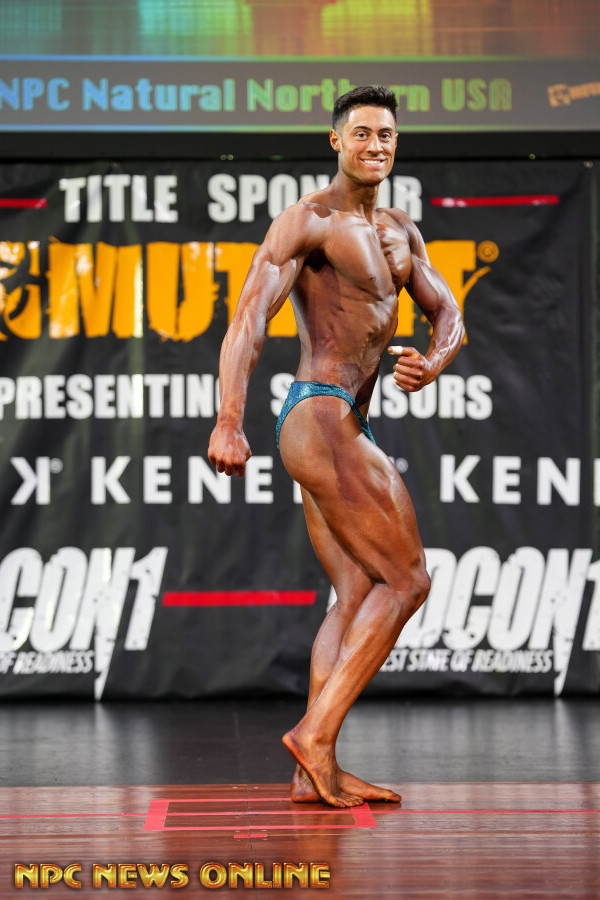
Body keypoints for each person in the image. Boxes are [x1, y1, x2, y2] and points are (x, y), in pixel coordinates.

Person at [208, 85, 465, 808]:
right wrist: (229, 419)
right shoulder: (309, 220)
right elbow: (249, 318)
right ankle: (315, 736)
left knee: (356, 594)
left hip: (347, 417)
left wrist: (433, 360)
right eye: (362, 134)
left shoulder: (401, 231)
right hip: (319, 413)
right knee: (408, 580)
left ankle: (309, 771)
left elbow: (448, 311)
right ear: (336, 141)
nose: (375, 145)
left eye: (386, 135)